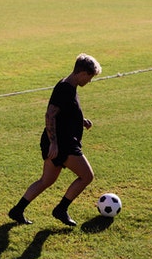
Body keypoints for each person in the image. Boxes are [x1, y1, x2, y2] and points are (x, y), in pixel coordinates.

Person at [9, 53, 102, 227]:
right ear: (82, 73)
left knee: (46, 180)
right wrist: (54, 143)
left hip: (61, 142)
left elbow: (64, 112)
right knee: (86, 176)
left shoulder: (68, 84)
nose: (89, 81)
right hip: (63, 144)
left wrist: (81, 121)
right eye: (90, 77)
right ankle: (61, 209)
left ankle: (17, 210)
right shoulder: (65, 89)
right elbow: (50, 115)